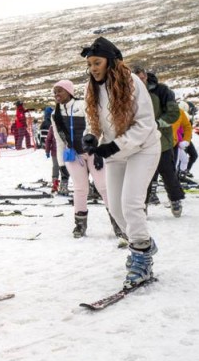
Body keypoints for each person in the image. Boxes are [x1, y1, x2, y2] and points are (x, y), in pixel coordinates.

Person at [80, 37, 160, 289]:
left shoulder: (132, 83)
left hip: (144, 149)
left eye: (97, 62)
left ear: (111, 61)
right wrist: (91, 135)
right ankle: (143, 241)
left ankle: (141, 256)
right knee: (114, 208)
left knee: (131, 204)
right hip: (116, 153)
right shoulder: (91, 86)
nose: (93, 68)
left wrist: (113, 145)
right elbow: (91, 116)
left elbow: (145, 124)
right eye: (90, 64)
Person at [51, 79, 124, 243]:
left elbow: (97, 127)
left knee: (104, 187)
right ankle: (80, 225)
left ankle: (119, 223)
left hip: (91, 151)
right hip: (73, 155)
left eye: (59, 91)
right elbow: (59, 139)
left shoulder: (83, 105)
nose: (57, 95)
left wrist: (98, 151)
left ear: (69, 91)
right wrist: (61, 164)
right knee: (80, 189)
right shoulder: (54, 113)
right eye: (55, 92)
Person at [132, 66, 184, 216]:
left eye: (141, 78)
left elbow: (174, 113)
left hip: (162, 141)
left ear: (145, 77)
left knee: (168, 173)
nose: (139, 82)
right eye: (136, 80)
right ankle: (142, 205)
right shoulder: (129, 93)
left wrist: (158, 123)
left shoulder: (162, 91)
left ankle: (175, 200)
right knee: (143, 176)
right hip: (140, 142)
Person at [173, 102, 198, 178]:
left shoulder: (184, 115)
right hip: (179, 141)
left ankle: (182, 174)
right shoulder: (180, 114)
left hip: (183, 140)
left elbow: (187, 128)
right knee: (177, 160)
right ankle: (176, 176)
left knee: (185, 158)